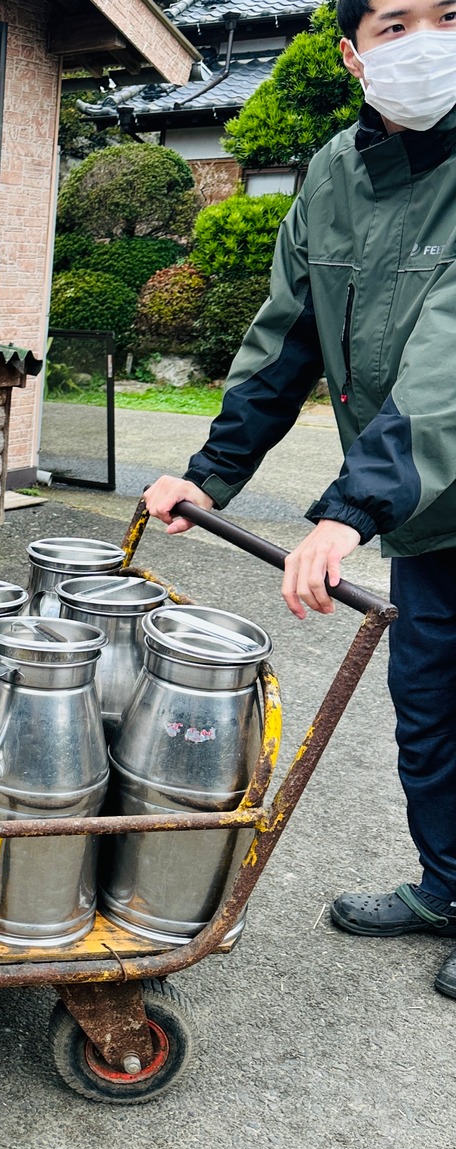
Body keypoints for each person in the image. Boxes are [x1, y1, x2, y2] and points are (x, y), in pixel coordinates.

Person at [143, 0, 456, 1000]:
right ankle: (447, 888)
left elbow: (446, 368)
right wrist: (208, 473)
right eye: (397, 24)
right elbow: (286, 340)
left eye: (448, 16)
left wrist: (346, 510)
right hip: (429, 516)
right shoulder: (331, 176)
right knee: (427, 712)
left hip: (409, 480)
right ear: (352, 55)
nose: (427, 43)